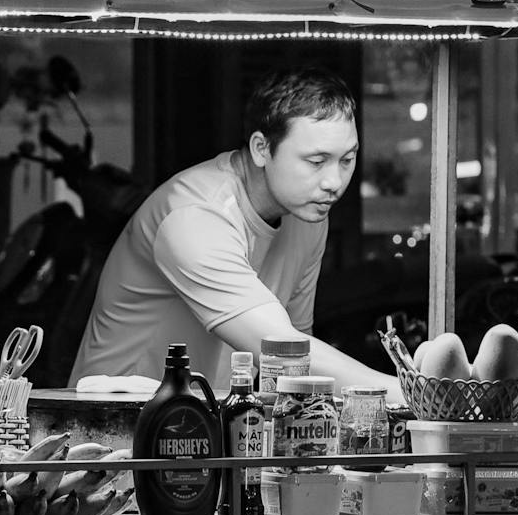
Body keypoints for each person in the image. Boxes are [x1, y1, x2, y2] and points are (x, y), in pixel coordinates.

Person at [72, 65, 404, 400]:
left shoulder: (309, 215)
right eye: (316, 162)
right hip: (114, 426)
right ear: (261, 148)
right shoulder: (195, 217)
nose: (334, 182)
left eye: (346, 160)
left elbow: (297, 354)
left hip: (205, 425)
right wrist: (409, 393)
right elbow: (279, 349)